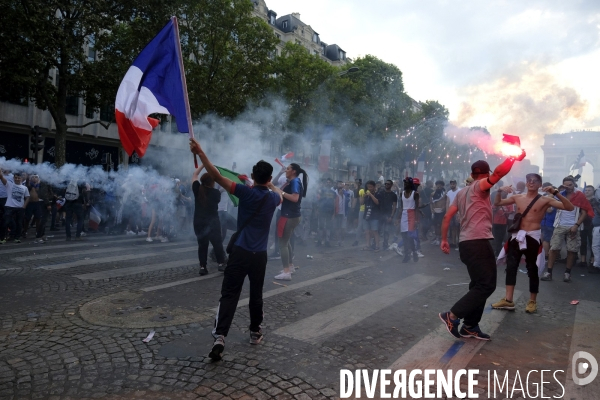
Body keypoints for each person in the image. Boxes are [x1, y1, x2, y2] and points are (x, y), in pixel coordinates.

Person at [189, 138, 281, 362]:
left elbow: (217, 176)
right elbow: (278, 193)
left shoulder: (244, 193)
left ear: (253, 175)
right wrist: (268, 184)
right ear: (268, 178)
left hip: (239, 252)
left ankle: (220, 337)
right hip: (259, 255)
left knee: (229, 294)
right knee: (256, 294)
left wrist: (201, 152)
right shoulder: (272, 199)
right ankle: (255, 332)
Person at [439, 154, 524, 341]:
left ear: (471, 173)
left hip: (465, 243)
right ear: (487, 174)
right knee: (487, 285)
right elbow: (500, 172)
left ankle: (470, 326)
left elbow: (447, 217)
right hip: (478, 241)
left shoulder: (462, 192)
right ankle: (452, 316)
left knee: (477, 284)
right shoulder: (480, 186)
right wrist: (512, 158)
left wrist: (444, 239)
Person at [491, 174, 574, 313]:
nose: (531, 183)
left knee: (532, 269)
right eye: (529, 180)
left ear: (539, 184)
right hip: (517, 236)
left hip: (532, 237)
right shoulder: (518, 197)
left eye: (535, 181)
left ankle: (532, 301)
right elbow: (498, 203)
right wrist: (499, 191)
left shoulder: (545, 199)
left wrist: (555, 192)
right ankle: (508, 300)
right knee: (511, 267)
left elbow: (569, 207)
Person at [541, 176, 595, 283]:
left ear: (574, 184)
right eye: (566, 185)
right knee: (554, 248)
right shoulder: (560, 194)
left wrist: (576, 225)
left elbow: (584, 213)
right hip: (559, 225)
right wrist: (557, 190)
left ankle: (567, 273)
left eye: (570, 185)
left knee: (572, 250)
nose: (568, 187)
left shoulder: (579, 195)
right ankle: (549, 272)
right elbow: (548, 201)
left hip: (573, 225)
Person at [272, 163, 308, 280]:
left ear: (293, 171)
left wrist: (280, 192)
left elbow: (295, 198)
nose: (286, 170)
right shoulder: (294, 181)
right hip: (291, 215)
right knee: (286, 241)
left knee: (282, 243)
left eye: (287, 169)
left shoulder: (295, 182)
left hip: (288, 216)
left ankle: (286, 271)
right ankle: (290, 266)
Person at [191, 165, 227, 276]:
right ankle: (221, 264)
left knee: (202, 245)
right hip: (212, 222)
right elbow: (219, 190)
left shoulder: (197, 189)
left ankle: (203, 267)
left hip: (199, 222)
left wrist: (203, 165)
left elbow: (195, 174)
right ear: (212, 182)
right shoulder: (216, 193)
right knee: (217, 243)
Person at [0, 171, 29, 243]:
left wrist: (24, 206)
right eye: (15, 178)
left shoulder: (24, 188)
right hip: (9, 207)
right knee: (5, 222)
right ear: (13, 178)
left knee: (19, 223)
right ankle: (2, 238)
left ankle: (17, 238)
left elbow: (27, 197)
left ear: (21, 178)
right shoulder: (9, 184)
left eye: (19, 178)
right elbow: (1, 177)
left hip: (20, 208)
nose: (17, 179)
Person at [399, 177, 419, 263]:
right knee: (404, 235)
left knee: (409, 236)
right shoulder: (402, 193)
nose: (405, 185)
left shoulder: (415, 194)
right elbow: (401, 207)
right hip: (404, 214)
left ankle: (414, 252)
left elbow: (417, 207)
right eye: (404, 183)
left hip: (411, 215)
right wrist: (397, 218)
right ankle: (407, 254)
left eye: (407, 183)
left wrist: (416, 220)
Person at [362, 180, 382, 251]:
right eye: (368, 187)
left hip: (374, 215)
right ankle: (367, 245)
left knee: (375, 231)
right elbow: (361, 203)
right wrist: (362, 196)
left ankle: (377, 246)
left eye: (371, 187)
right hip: (366, 215)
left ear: (374, 187)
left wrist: (371, 195)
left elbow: (377, 202)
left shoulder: (378, 194)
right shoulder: (366, 195)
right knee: (367, 231)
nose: (369, 188)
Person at [379, 179, 398, 249]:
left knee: (386, 230)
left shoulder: (393, 195)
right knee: (378, 229)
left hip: (388, 214)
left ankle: (385, 243)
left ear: (391, 185)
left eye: (388, 184)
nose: (386, 185)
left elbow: (394, 206)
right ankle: (375, 243)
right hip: (380, 214)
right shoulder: (381, 193)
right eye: (386, 184)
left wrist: (391, 216)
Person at [430, 180, 446, 245]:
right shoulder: (432, 194)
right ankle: (437, 238)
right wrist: (432, 210)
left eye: (440, 185)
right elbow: (431, 203)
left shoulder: (445, 194)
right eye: (437, 185)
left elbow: (447, 201)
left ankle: (440, 239)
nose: (439, 186)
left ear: (442, 186)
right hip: (435, 211)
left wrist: (444, 207)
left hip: (442, 211)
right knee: (435, 225)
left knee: (439, 224)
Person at [446, 179, 460, 249]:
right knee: (452, 228)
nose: (452, 185)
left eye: (453, 184)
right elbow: (447, 202)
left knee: (458, 228)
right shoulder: (449, 192)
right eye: (451, 184)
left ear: (456, 184)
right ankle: (453, 242)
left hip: (457, 212)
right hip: (451, 212)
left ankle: (459, 242)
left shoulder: (459, 191)